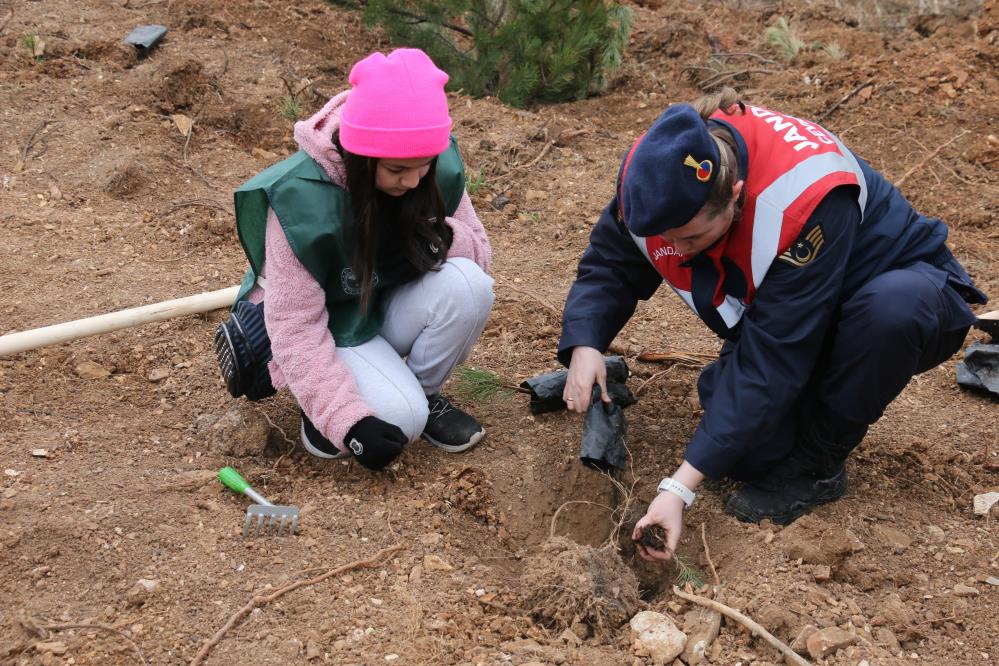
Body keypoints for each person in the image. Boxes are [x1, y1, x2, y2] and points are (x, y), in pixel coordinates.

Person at [557, 88, 987, 560]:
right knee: (746, 454)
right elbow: (611, 264)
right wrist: (586, 343)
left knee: (889, 313)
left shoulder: (803, 198)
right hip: (798, 307)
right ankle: (807, 408)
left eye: (693, 237)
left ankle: (819, 464)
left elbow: (775, 355)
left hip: (906, 290)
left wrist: (678, 489)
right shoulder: (656, 176)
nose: (677, 251)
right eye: (666, 239)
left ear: (735, 195)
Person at [231, 48, 494, 471]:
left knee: (469, 286)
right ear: (361, 156)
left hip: (380, 304)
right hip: (330, 329)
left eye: (422, 166)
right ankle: (321, 409)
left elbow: (479, 253)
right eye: (396, 170)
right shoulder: (301, 202)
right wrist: (349, 422)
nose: (412, 181)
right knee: (398, 421)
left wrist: (442, 239)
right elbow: (295, 328)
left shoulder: (433, 161)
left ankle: (421, 393)